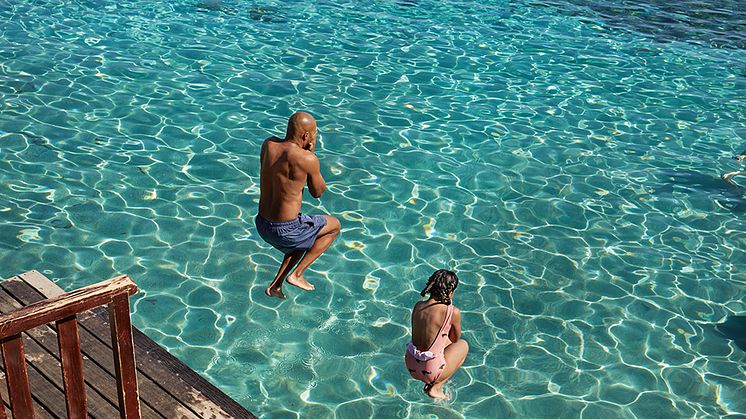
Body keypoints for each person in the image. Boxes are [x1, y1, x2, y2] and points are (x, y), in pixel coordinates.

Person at [255, 112, 341, 299]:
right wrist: (311, 154)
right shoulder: (306, 159)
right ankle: (297, 274)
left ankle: (275, 286)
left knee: (305, 231)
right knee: (333, 226)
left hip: (262, 224)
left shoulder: (268, 144)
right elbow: (318, 192)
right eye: (315, 134)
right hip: (286, 231)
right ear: (306, 136)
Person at [405, 269, 469, 399]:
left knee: (442, 341)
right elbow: (455, 339)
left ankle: (432, 380)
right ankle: (436, 387)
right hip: (431, 369)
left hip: (411, 364)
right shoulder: (452, 312)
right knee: (463, 345)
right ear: (451, 291)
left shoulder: (418, 306)